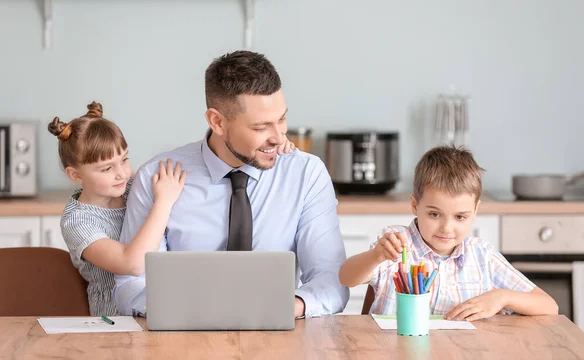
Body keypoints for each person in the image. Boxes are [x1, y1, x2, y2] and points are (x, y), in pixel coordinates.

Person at [113, 50, 349, 318]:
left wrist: (286, 307)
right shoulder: (156, 177)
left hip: (279, 337)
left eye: (281, 119)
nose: (278, 136)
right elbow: (130, 284)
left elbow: (331, 279)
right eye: (261, 128)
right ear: (217, 122)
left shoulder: (306, 174)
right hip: (182, 339)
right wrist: (193, 311)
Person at [339, 146, 558, 321]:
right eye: (434, 214)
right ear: (415, 205)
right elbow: (346, 278)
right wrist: (376, 255)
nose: (446, 228)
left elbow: (549, 306)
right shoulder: (396, 243)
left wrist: (501, 297)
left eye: (460, 217)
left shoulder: (482, 256)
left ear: (475, 211)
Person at [48, 102, 187, 316]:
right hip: (114, 319)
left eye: (124, 160)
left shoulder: (134, 188)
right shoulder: (77, 221)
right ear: (75, 175)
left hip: (156, 307)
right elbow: (132, 264)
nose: (122, 173)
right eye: (107, 168)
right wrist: (163, 202)